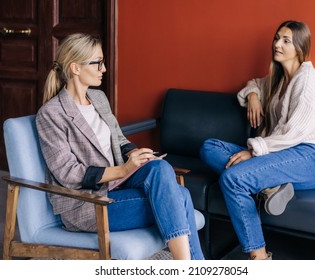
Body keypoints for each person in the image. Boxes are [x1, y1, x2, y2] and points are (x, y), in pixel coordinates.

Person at [35, 33, 204, 260]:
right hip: (87, 203)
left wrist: (135, 154)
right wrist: (125, 169)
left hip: (116, 186)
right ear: (75, 68)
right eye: (98, 63)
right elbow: (68, 173)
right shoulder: (51, 114)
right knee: (180, 196)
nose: (103, 69)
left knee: (160, 168)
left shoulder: (99, 98)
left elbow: (119, 140)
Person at [200, 20, 315, 260]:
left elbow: (294, 132)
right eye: (276, 38)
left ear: (300, 49)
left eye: (286, 41)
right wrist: (253, 96)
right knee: (209, 147)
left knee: (233, 179)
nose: (277, 44)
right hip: (282, 154)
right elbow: (254, 84)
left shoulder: (308, 81)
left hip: (312, 156)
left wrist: (255, 151)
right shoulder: (279, 79)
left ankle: (259, 258)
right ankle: (269, 186)